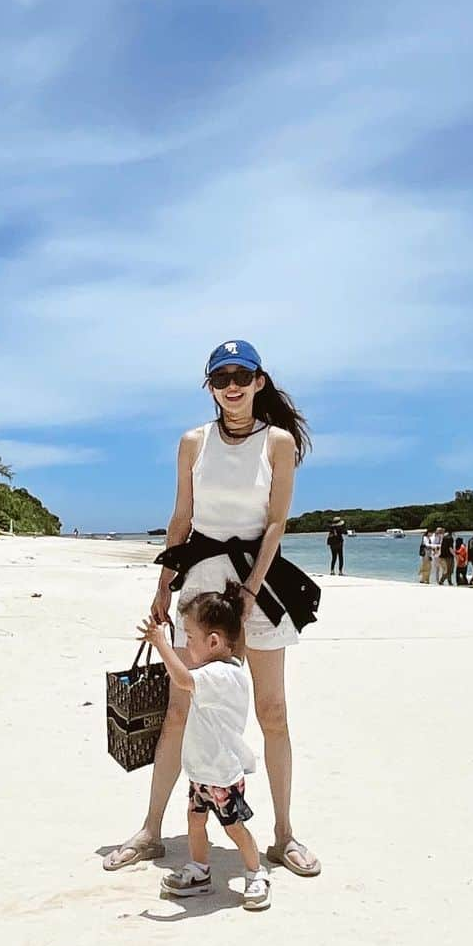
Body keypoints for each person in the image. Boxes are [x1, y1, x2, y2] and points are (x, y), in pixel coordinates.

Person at [103, 339, 322, 878]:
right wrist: (163, 586)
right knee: (180, 707)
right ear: (210, 387)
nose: (232, 386)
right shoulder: (192, 442)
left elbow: (276, 524)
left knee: (273, 711)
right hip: (200, 576)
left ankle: (284, 836)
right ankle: (152, 830)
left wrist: (249, 591)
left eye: (241, 376)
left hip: (259, 580)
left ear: (258, 382)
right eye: (221, 378)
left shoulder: (278, 442)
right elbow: (182, 517)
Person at [137, 584, 270, 911]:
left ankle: (256, 873)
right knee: (195, 822)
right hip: (202, 771)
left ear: (213, 641)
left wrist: (161, 644)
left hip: (222, 774)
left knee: (234, 828)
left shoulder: (221, 675)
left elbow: (182, 680)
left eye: (190, 638)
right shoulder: (219, 670)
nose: (187, 645)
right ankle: (199, 871)